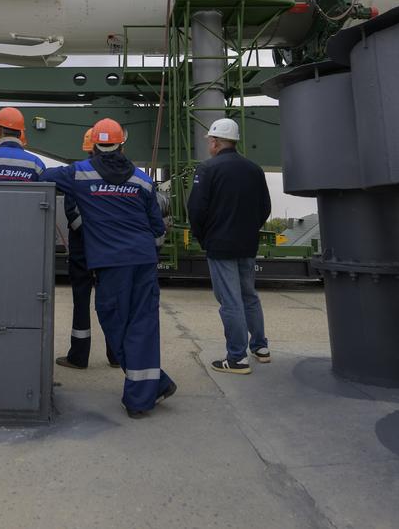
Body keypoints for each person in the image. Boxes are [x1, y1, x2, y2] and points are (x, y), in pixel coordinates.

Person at [45, 118, 176, 418]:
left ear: (93, 146)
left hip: (111, 264)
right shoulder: (143, 181)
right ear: (122, 145)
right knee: (142, 324)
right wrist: (149, 253)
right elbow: (158, 228)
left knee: (113, 321)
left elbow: (43, 175)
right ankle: (155, 384)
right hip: (143, 261)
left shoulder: (79, 173)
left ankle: (140, 399)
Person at [187, 118, 272, 374]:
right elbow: (265, 208)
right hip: (247, 244)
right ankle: (260, 347)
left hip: (220, 245)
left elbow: (196, 209)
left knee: (230, 301)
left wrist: (204, 237)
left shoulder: (207, 169)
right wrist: (248, 231)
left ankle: (237, 358)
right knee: (249, 296)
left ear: (214, 142)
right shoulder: (254, 169)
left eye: (210, 142)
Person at [56, 128, 118, 370]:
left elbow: (73, 214)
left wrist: (91, 233)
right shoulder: (115, 175)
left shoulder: (80, 174)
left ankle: (79, 356)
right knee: (111, 302)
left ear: (90, 147)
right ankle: (116, 355)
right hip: (108, 249)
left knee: (81, 303)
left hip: (83, 250)